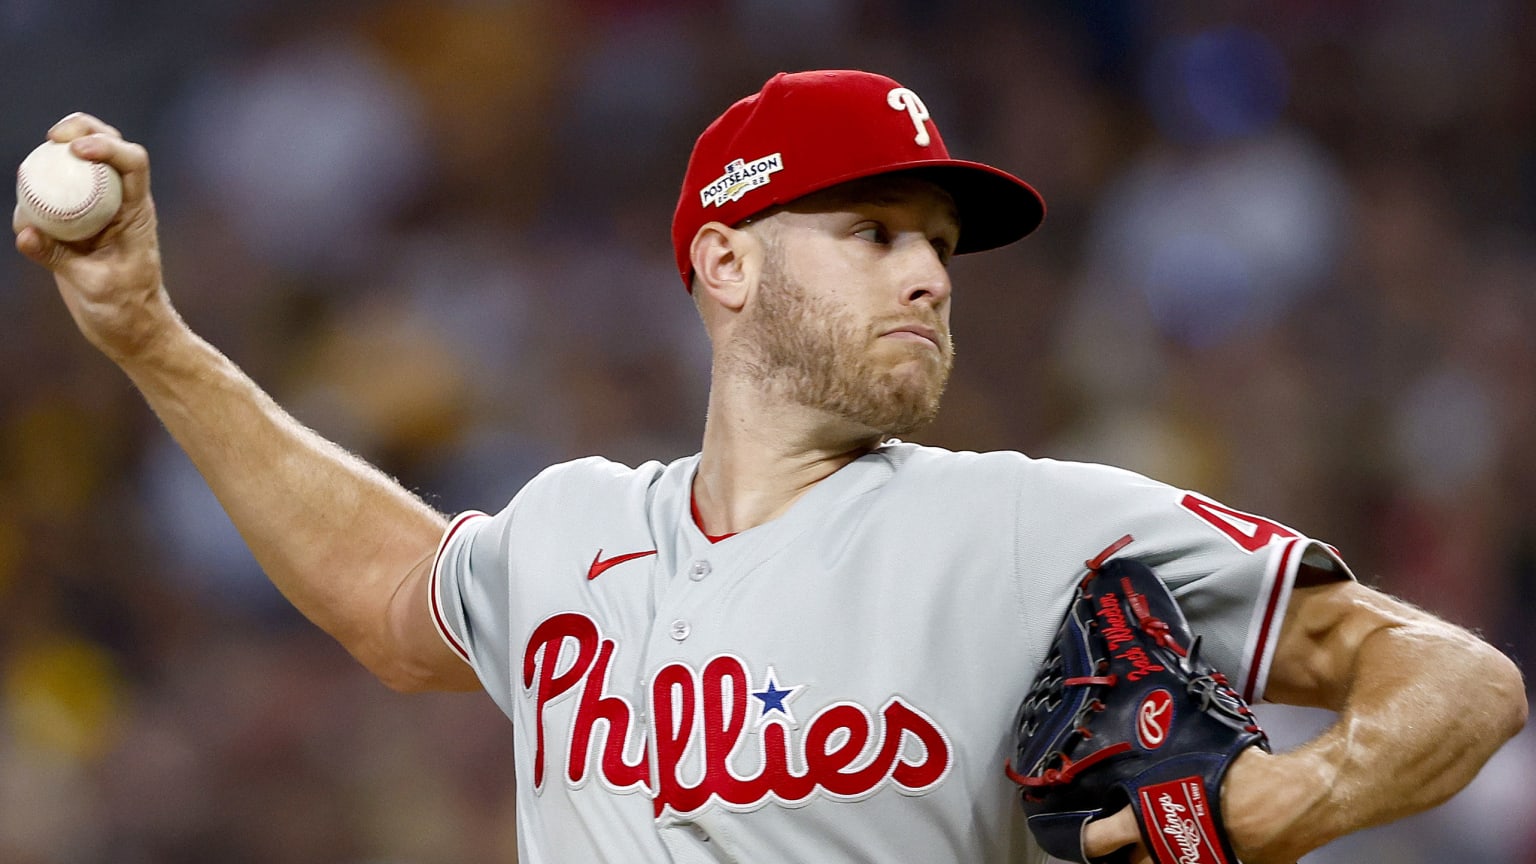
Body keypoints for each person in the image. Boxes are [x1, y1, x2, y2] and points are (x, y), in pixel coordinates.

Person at [13, 69, 1526, 864]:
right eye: (873, 234)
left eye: (939, 246)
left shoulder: (1032, 522)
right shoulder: (571, 527)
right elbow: (389, 593)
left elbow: (1464, 683)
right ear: (725, 262)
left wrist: (1296, 802)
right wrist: (149, 333)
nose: (929, 275)